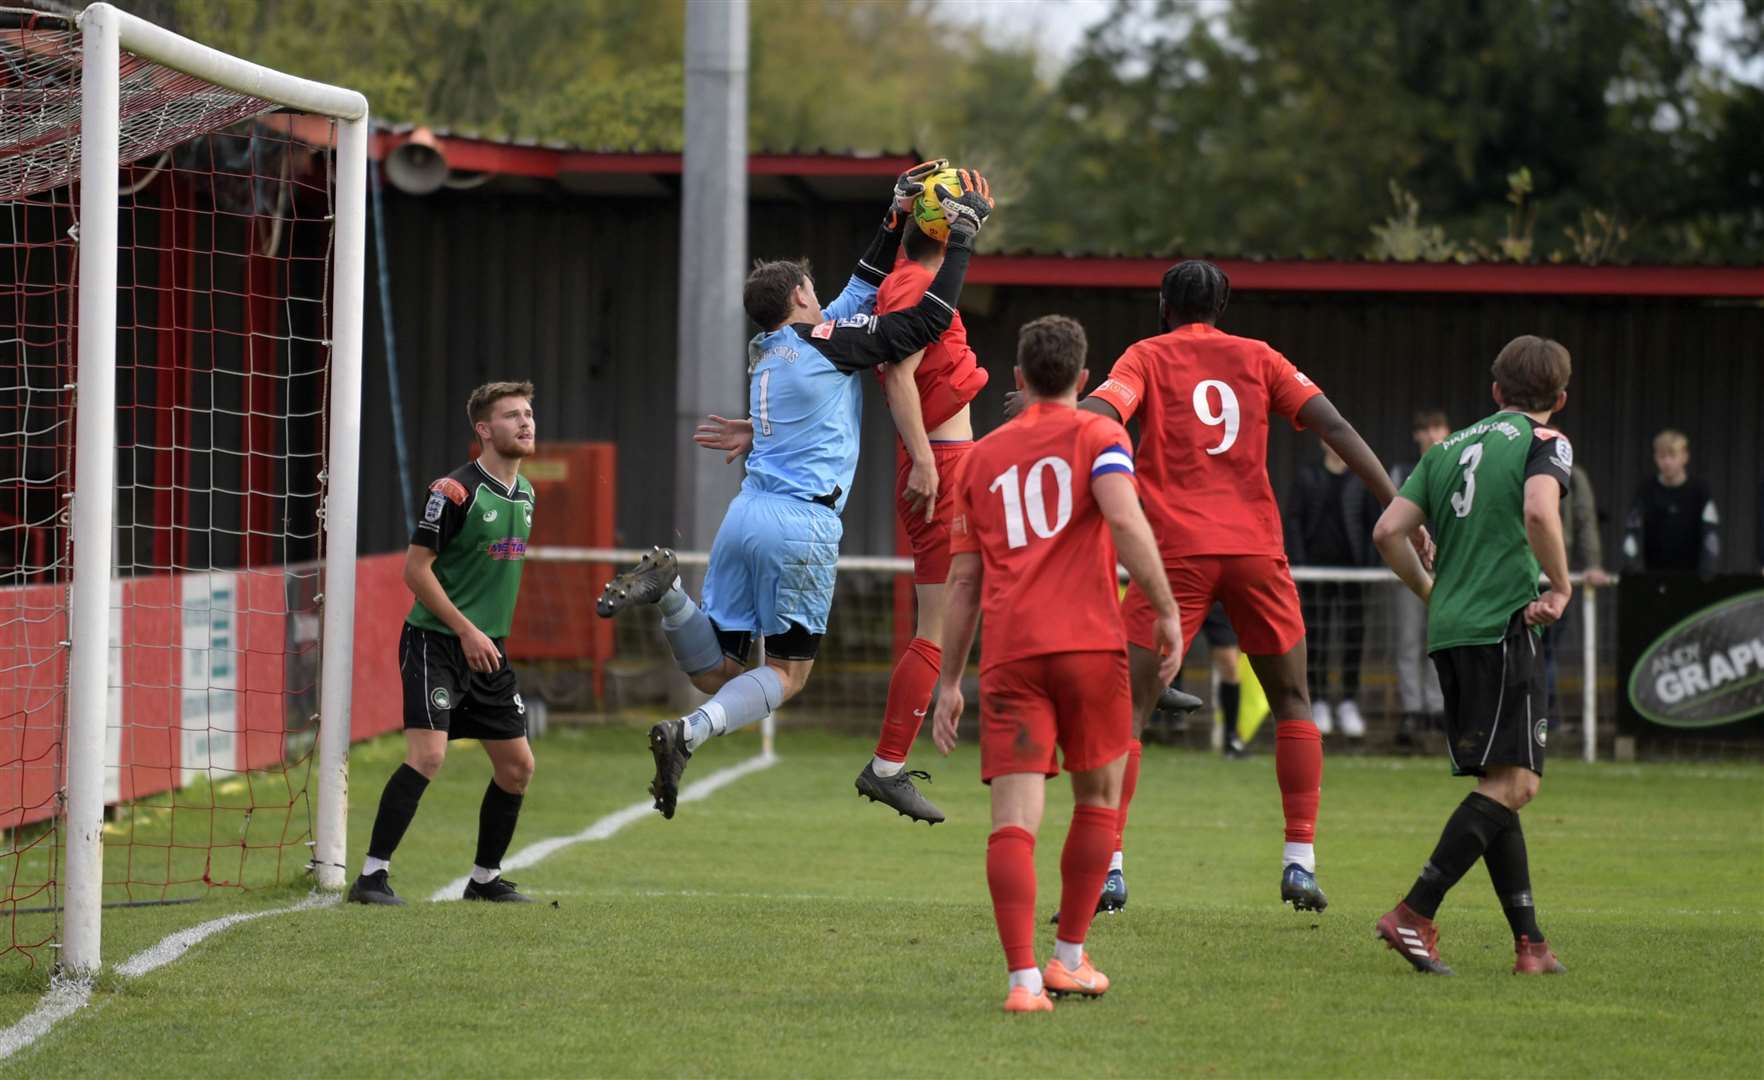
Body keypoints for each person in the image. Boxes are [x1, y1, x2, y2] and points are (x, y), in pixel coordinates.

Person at [596, 168, 996, 820]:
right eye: (818, 289)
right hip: (800, 526)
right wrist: (962, 240)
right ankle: (688, 733)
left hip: (745, 514)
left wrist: (894, 215)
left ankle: (670, 593)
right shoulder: (827, 345)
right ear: (805, 296)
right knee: (787, 676)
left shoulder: (770, 347)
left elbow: (863, 284)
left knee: (715, 671)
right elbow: (924, 322)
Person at [1037, 260, 1416, 913]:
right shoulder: (1260, 357)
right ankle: (1300, 861)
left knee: (1122, 710)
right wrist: (1394, 501)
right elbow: (1336, 428)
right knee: (1294, 701)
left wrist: (1049, 414)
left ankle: (1110, 868)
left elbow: (1102, 414)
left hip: (1177, 553)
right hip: (1254, 550)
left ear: (1163, 303)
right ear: (1224, 304)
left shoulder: (1147, 356)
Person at [930, 315, 1183, 1013]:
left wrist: (950, 681)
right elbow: (1126, 520)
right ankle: (1068, 959)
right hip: (1090, 646)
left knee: (1013, 818)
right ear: (1083, 377)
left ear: (1016, 379)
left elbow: (963, 583)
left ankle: (1021, 984)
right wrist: (1164, 609)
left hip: (1012, 653)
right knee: (1098, 800)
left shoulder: (979, 459)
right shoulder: (1101, 434)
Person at [1369, 334, 1573, 977]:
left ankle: (1531, 945)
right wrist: (1562, 586)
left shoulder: (1448, 447)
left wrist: (1431, 591)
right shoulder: (1547, 443)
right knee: (1517, 782)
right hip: (1500, 629)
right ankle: (1414, 913)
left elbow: (1388, 532)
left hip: (1452, 630)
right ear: (1560, 399)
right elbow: (1541, 512)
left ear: (1494, 392)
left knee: (1500, 782)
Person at [348, 382, 540, 905]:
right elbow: (416, 570)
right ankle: (371, 878)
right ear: (483, 430)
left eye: (528, 414)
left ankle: (483, 881)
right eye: (511, 416)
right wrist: (464, 628)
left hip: (488, 651)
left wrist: (484, 635)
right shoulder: (454, 491)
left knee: (518, 766)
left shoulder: (526, 494)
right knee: (428, 756)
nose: (525, 423)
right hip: (437, 643)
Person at [852, 206, 992, 825]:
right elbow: (902, 377)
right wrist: (925, 460)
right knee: (935, 625)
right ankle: (886, 767)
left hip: (955, 459)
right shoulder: (912, 283)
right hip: (943, 463)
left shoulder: (902, 279)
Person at [1285, 444, 1381, 740]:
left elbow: (1372, 524)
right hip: (1314, 574)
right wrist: (1300, 564)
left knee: (1353, 637)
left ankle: (1349, 702)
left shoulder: (1360, 479)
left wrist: (1367, 564)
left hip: (1353, 574)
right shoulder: (1308, 477)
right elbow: (1294, 520)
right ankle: (1321, 700)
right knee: (1317, 636)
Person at [1389, 410, 1450, 747]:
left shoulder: (1458, 466)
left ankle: (1437, 705)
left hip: (1447, 565)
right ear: (1416, 435)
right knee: (1409, 639)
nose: (1431, 434)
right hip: (1411, 567)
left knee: (1440, 636)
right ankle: (1412, 708)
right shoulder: (1401, 473)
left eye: (1437, 428)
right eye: (1425, 429)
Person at [1622, 429, 1720, 573]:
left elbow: (1710, 535)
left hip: (1692, 577)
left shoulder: (1700, 490)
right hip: (1653, 575)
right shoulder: (1645, 490)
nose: (1667, 462)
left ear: (1685, 457)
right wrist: (1632, 569)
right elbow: (1632, 533)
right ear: (1655, 458)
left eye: (1672, 455)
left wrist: (1707, 573)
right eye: (1662, 456)